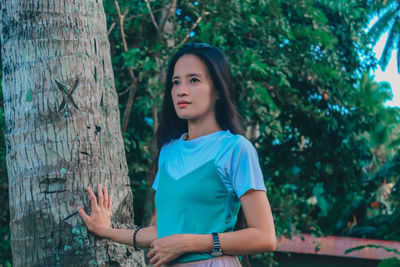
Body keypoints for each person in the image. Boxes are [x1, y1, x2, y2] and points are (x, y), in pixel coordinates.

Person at [77, 42, 276, 267]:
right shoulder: (169, 151)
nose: (181, 90)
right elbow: (166, 233)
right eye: (175, 82)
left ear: (218, 89)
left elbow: (265, 237)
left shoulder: (236, 149)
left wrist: (189, 243)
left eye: (194, 80)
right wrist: (106, 231)